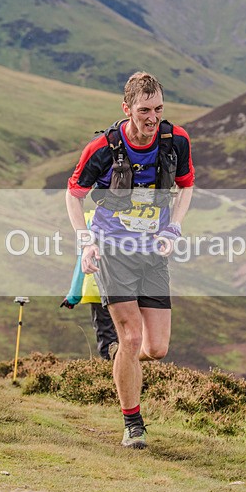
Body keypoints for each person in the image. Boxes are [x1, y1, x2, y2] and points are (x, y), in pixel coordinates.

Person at [65, 72, 194, 449]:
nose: (151, 118)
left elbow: (186, 186)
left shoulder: (176, 141)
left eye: (157, 109)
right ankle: (132, 423)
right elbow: (73, 195)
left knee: (154, 348)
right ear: (127, 109)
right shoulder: (103, 147)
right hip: (113, 251)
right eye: (143, 110)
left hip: (153, 253)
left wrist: (174, 229)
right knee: (131, 335)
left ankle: (119, 357)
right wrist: (86, 242)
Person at [60, 210, 119, 361]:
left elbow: (83, 261)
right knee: (128, 335)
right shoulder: (132, 215)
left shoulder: (89, 220)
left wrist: (73, 296)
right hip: (127, 290)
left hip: (97, 290)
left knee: (107, 337)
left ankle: (112, 372)